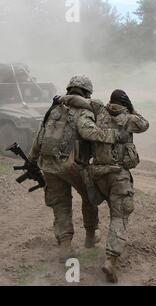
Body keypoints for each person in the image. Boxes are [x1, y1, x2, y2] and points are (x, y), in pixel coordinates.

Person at [28, 76, 128, 261]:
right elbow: (88, 131)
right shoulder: (83, 111)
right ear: (87, 93)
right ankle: (90, 236)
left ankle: (65, 246)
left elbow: (40, 136)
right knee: (90, 197)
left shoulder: (54, 108)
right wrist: (116, 136)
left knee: (60, 204)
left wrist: (32, 159)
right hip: (72, 165)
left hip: (49, 165)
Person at [89, 89, 149, 283]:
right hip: (118, 175)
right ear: (125, 103)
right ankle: (111, 260)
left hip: (97, 174)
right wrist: (132, 110)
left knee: (100, 206)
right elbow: (145, 124)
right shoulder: (129, 119)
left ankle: (89, 237)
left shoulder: (99, 114)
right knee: (119, 215)